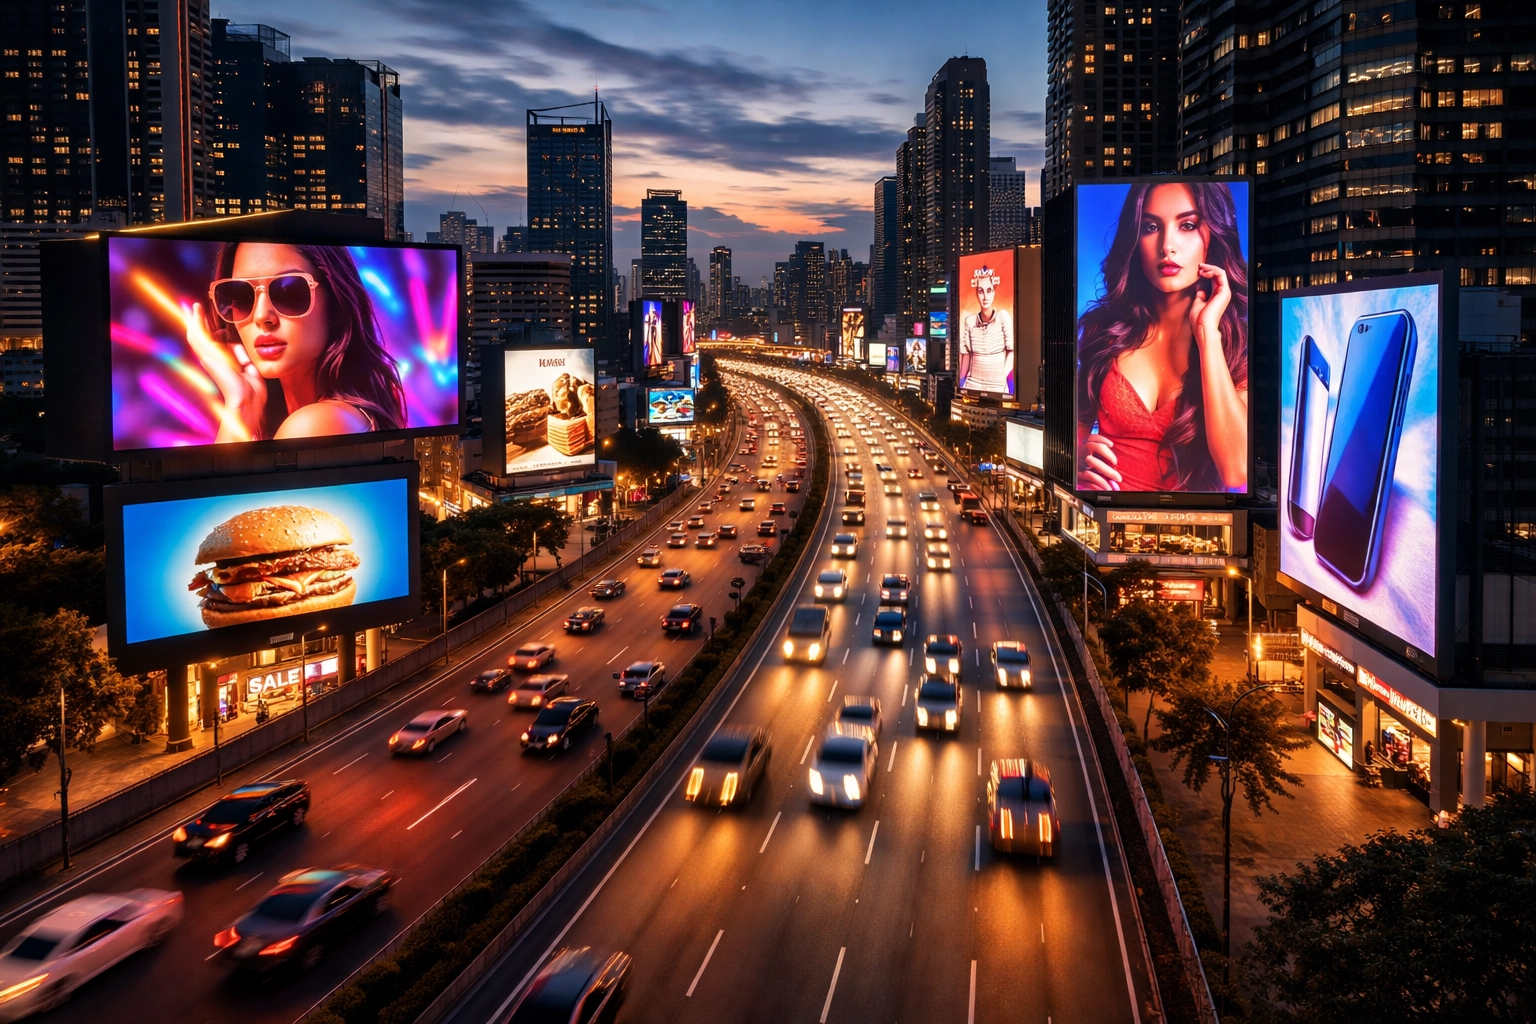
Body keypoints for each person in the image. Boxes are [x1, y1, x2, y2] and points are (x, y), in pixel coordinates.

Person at [1075, 182, 1249, 493]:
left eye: (1187, 225)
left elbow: (1236, 470)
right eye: (1151, 227)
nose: (1167, 245)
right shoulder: (1102, 330)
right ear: (1134, 238)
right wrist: (1077, 461)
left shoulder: (1239, 347)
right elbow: (1071, 438)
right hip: (1100, 515)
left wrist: (1207, 334)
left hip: (1195, 523)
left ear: (1214, 235)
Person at [185, 242, 407, 442]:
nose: (261, 316)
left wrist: (238, 413)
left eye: (289, 291)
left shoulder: (313, 424)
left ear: (335, 302)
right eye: (242, 296)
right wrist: (243, 404)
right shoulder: (338, 417)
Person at [958, 262, 1014, 394]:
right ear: (977, 294)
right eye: (981, 291)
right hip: (972, 384)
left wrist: (1002, 375)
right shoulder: (970, 321)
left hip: (997, 386)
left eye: (989, 290)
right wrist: (960, 383)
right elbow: (966, 355)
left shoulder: (1003, 317)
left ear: (994, 292)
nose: (985, 296)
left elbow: (1012, 351)